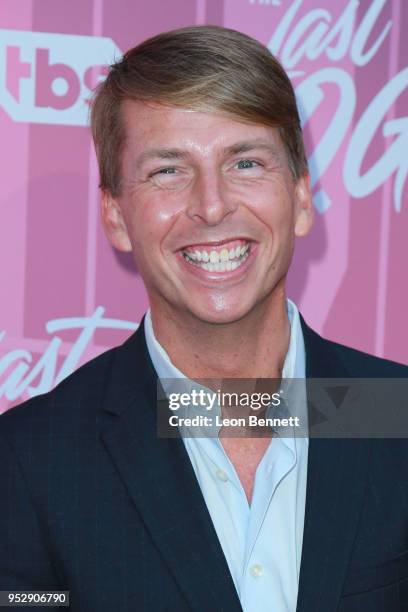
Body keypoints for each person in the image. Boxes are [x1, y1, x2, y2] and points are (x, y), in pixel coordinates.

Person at [0, 26, 407, 612]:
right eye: (168, 170)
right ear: (115, 215)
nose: (212, 204)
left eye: (245, 162)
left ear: (299, 196)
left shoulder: (396, 415)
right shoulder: (32, 460)